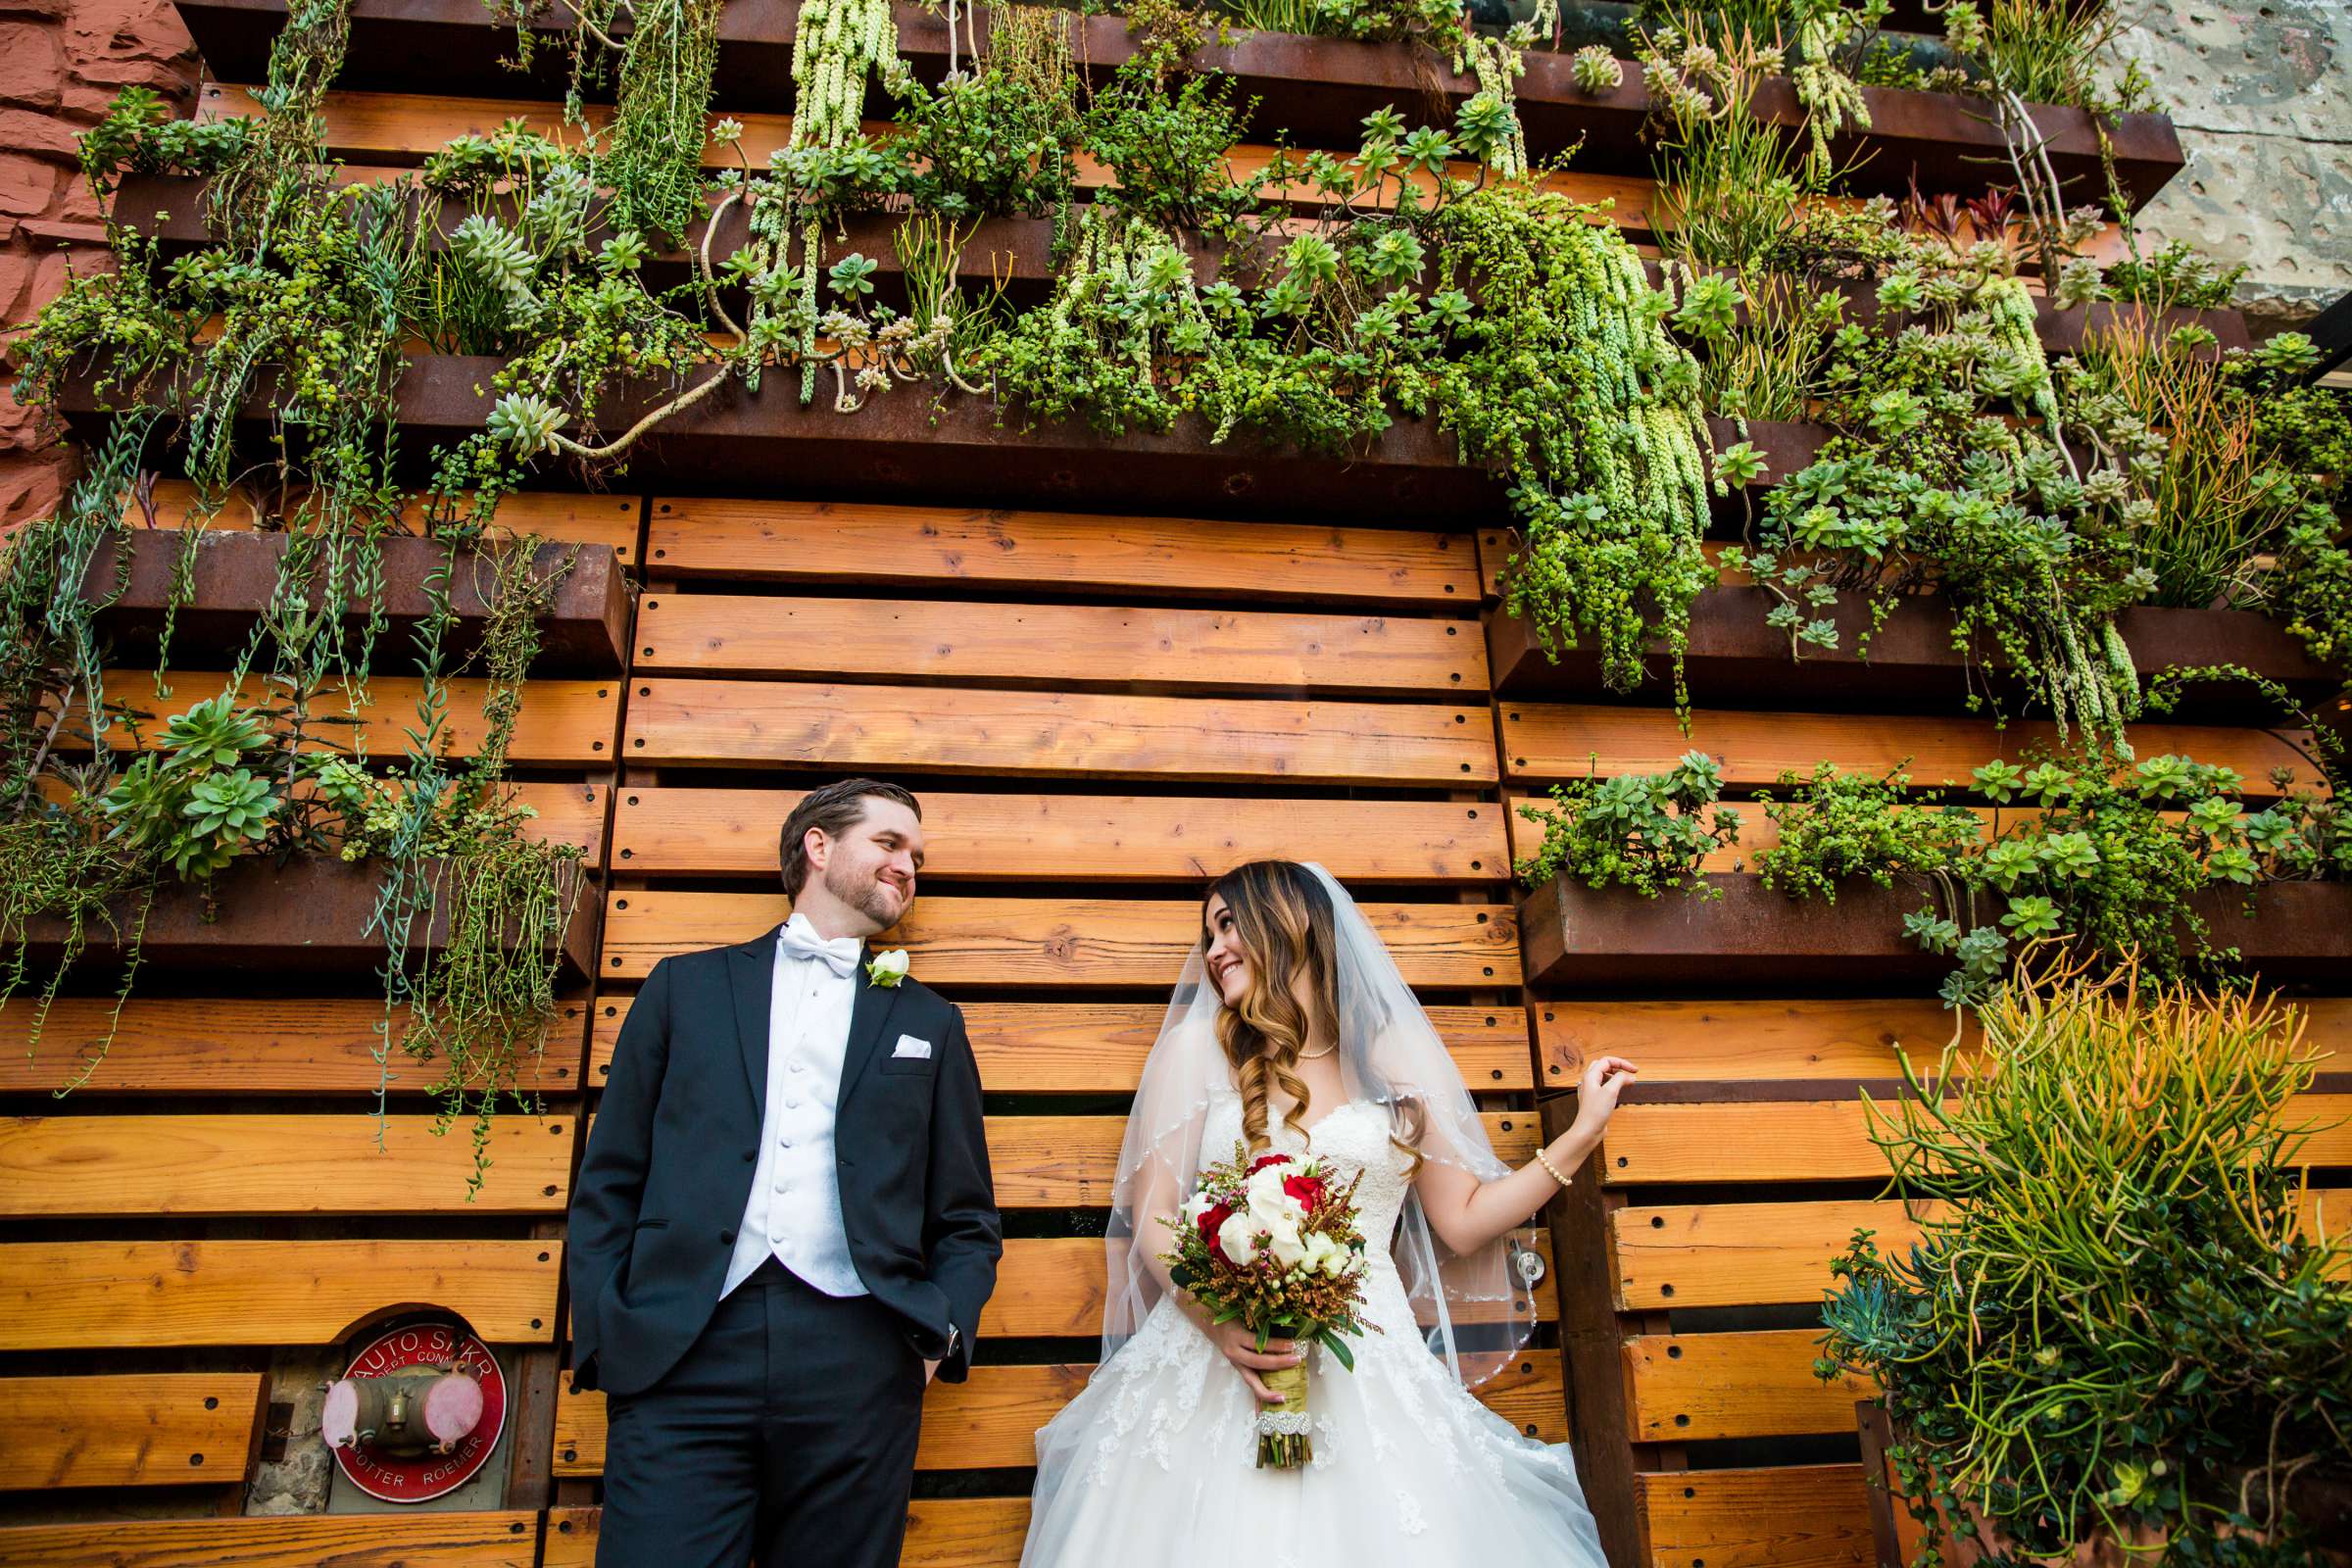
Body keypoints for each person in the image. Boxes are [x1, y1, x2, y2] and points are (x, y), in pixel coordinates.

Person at [1021, 859, 1635, 1566]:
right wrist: (1216, 1321)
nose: (1213, 950)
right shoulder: (1199, 1051)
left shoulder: (1392, 1056)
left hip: (1367, 1357)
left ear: (1291, 926)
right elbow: (1155, 1211)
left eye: (1229, 926)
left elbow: (1463, 1219)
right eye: (1209, 932)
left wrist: (1579, 1135)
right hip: (1215, 1355)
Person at [567, 777, 1001, 1568]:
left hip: (861, 1354)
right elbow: (611, 1177)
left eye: (918, 856)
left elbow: (966, 1214)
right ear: (819, 845)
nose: (909, 866)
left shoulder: (928, 1022)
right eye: (890, 843)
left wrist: (940, 1331)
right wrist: (608, 1334)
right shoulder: (682, 989)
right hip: (681, 1348)